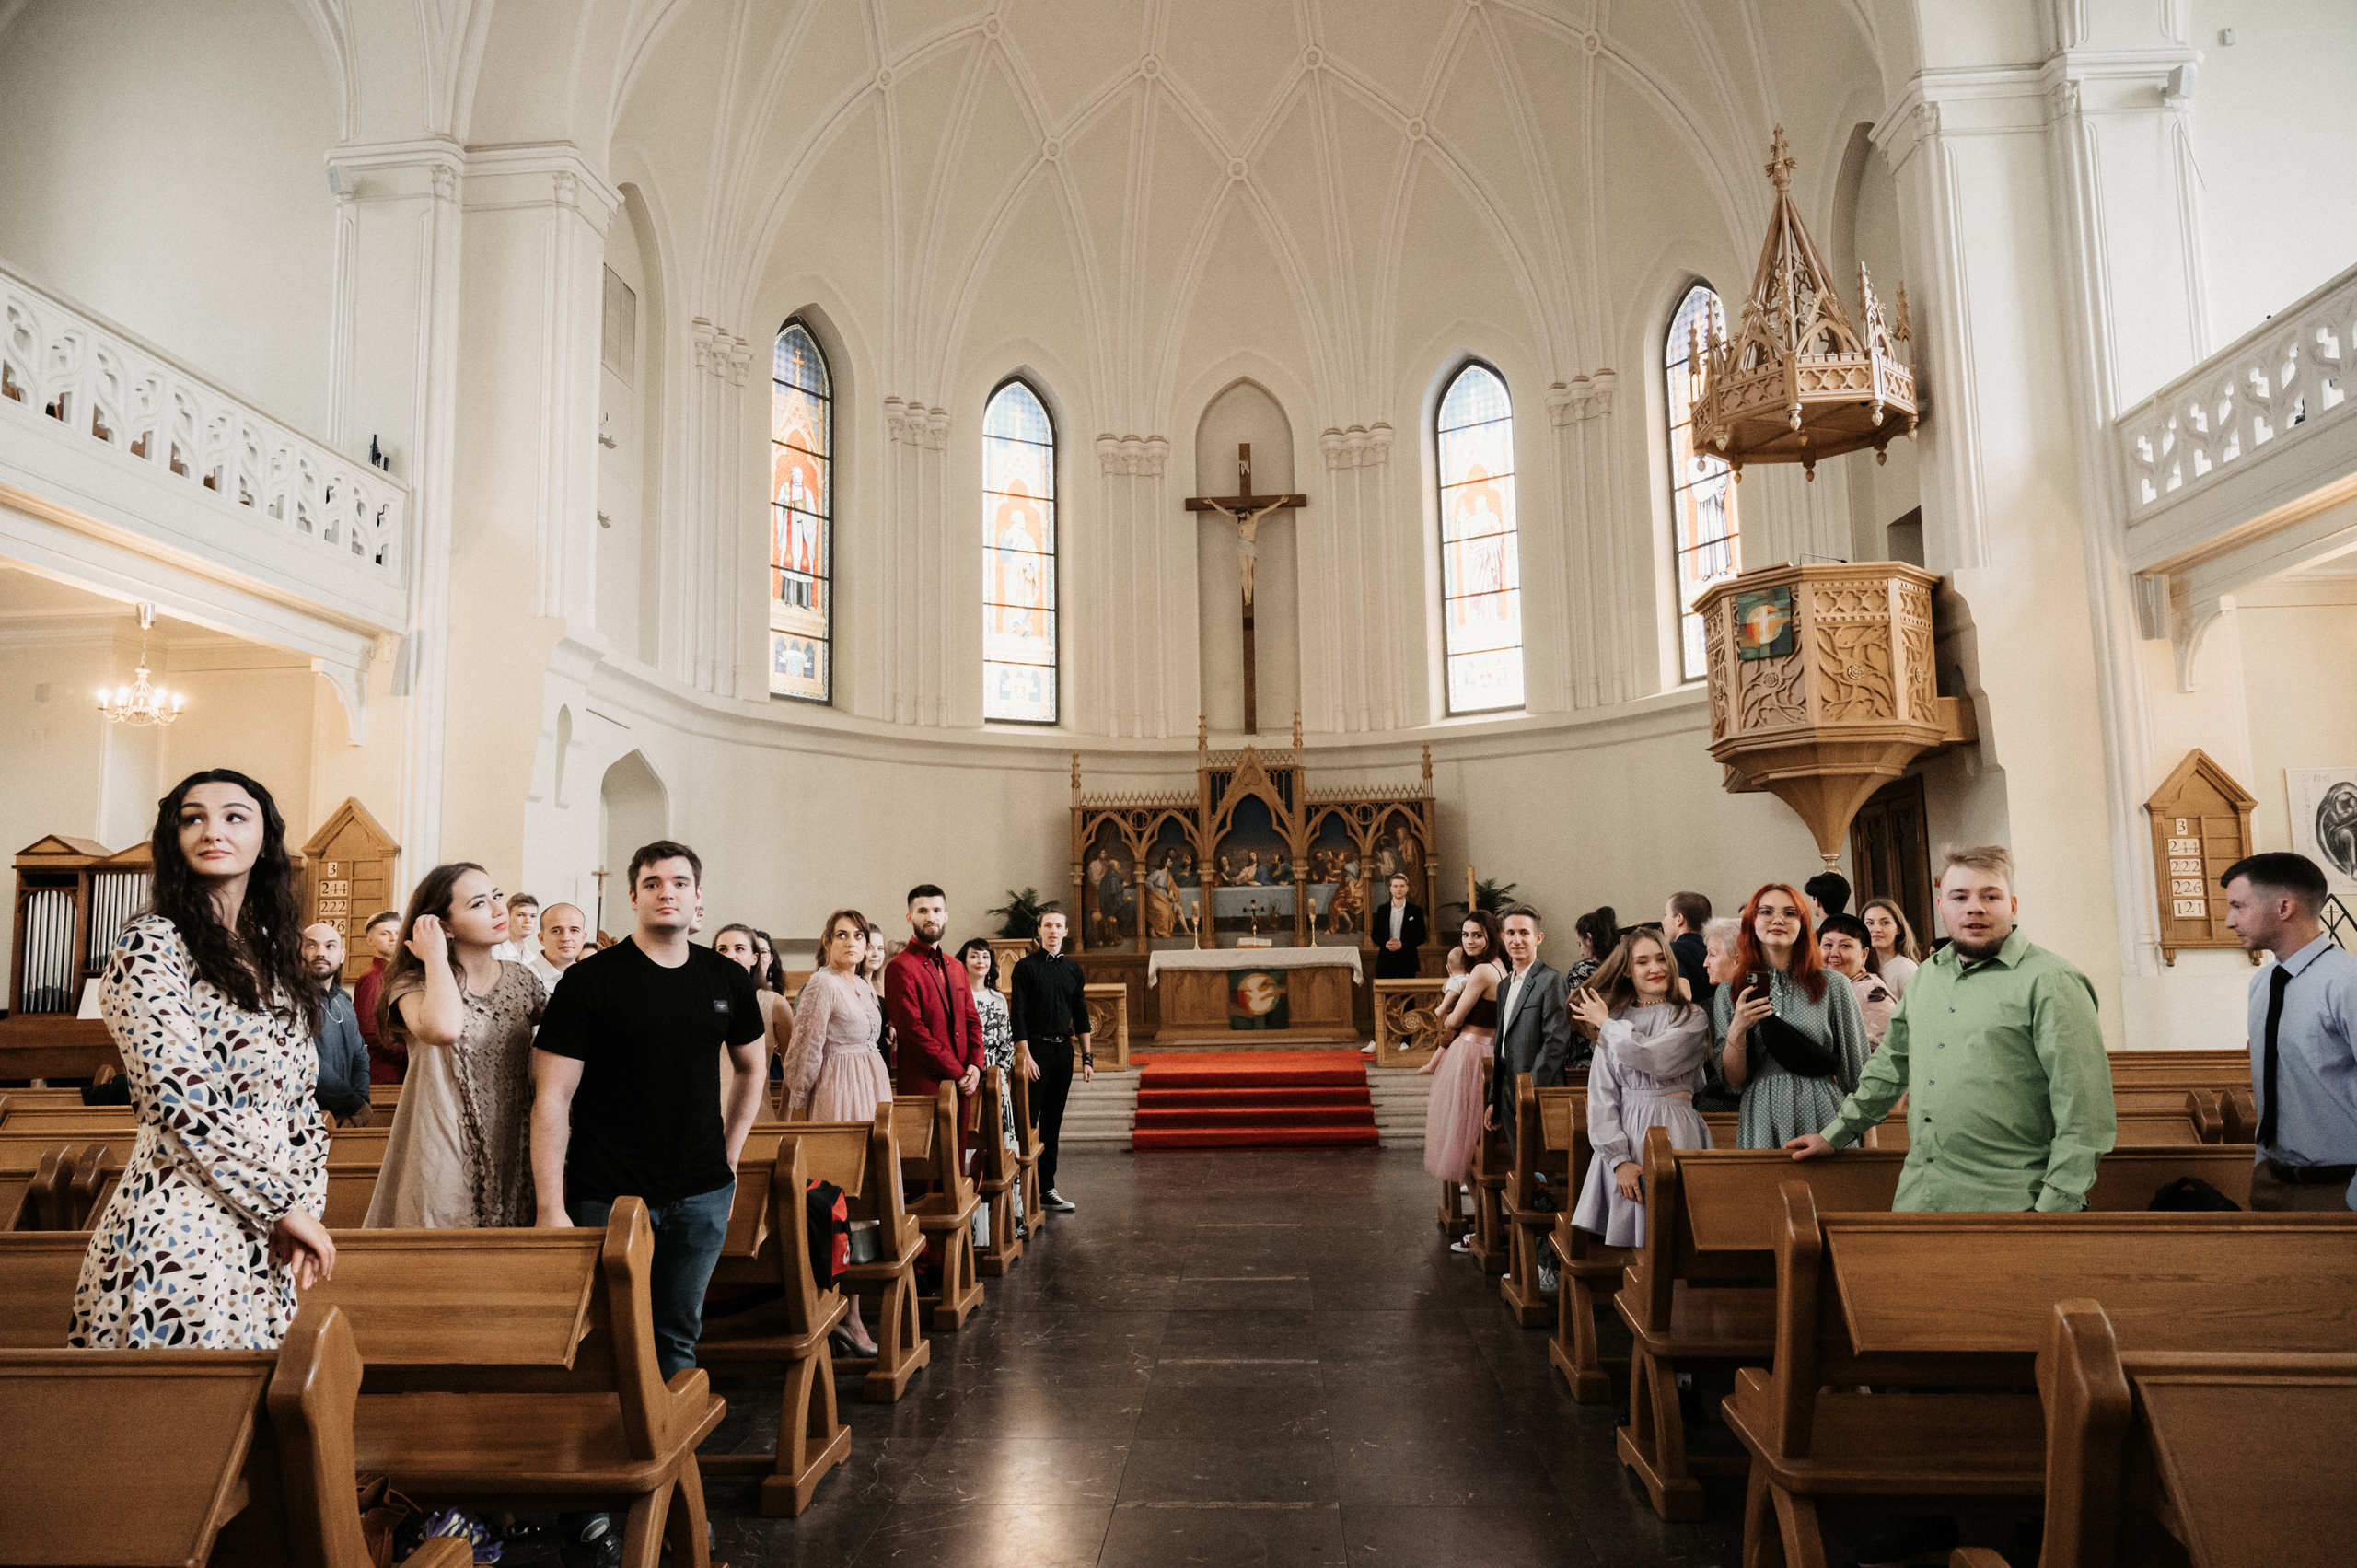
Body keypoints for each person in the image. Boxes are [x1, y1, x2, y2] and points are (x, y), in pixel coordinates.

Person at [531, 840, 764, 1568]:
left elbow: (754, 1065)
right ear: (633, 896)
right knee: (603, 1351)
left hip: (698, 1194)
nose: (668, 892)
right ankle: (592, 1509)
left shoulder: (725, 977)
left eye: (681, 882)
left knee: (674, 1347)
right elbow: (552, 1098)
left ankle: (666, 1501)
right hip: (606, 1195)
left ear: (700, 897)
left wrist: (728, 1156)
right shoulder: (591, 981)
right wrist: (550, 1207)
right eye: (653, 882)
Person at [72, 768, 333, 1350]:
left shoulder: (271, 953)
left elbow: (301, 1107)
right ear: (174, 838)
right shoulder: (153, 943)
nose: (213, 829)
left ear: (264, 838)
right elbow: (179, 1101)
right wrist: (283, 1206)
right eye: (194, 817)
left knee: (245, 1424)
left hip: (265, 1232)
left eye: (235, 816)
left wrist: (301, 1207)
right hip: (180, 1221)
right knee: (171, 1421)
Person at [1788, 845, 2117, 1210]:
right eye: (1960, 896)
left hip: (2013, 1200)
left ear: (2013, 905)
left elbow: (2085, 1109)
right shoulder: (1929, 975)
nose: (1974, 907)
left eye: (1990, 895)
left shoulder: (2053, 981)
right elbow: (1891, 1064)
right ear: (1942, 904)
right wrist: (1836, 1134)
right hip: (1922, 1193)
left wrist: (2057, 1203)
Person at [365, 862, 545, 1228]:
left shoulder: (523, 981)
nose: (498, 910)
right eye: (479, 904)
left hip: (515, 1139)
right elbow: (443, 1029)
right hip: (445, 1140)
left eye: (496, 897)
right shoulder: (412, 984)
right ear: (442, 925)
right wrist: (434, 956)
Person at [2221, 852, 2356, 1211]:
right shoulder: (2263, 983)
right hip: (2272, 1182)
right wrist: (2262, 1168)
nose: (2229, 921)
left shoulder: (2346, 983)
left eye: (2238, 906)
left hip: (2339, 1187)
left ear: (2283, 907)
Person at [1569, 928, 1714, 1247]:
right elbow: (1602, 1096)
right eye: (1643, 961)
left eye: (1662, 959)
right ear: (1626, 969)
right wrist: (1619, 1160)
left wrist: (1606, 1025)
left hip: (1678, 1129)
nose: (1655, 968)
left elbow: (1655, 1057)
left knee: (1681, 1240)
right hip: (1629, 1134)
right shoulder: (1618, 1018)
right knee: (1639, 1242)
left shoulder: (1692, 1017)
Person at [1713, 883, 1868, 1148]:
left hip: (1825, 1112)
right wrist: (1738, 1027)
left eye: (1790, 913)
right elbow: (1734, 1082)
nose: (1778, 920)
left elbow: (1858, 1073)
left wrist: (1869, 1144)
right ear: (1752, 921)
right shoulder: (1731, 992)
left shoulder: (1833, 985)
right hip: (1762, 1113)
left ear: (1803, 923)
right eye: (1766, 912)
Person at [884, 886, 986, 1173]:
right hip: (924, 1083)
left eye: (937, 910)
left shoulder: (955, 966)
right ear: (910, 917)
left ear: (946, 916)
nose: (931, 917)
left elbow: (972, 1021)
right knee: (927, 1172)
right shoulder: (900, 967)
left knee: (954, 1166)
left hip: (963, 1082)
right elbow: (912, 1031)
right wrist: (959, 1072)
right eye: (923, 911)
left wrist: (976, 1066)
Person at [1010, 908, 1093, 1214]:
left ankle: (1046, 1188)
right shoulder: (1025, 967)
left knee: (1053, 1123)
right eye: (1048, 925)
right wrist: (1025, 1055)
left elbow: (1080, 1013)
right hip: (1036, 1051)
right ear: (1040, 931)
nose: (1053, 930)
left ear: (1066, 931)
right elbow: (1017, 1014)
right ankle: (1022, 1188)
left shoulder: (1073, 970)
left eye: (1059, 925)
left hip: (1063, 1053)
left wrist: (1087, 1057)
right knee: (1028, 1120)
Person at [1423, 913, 1506, 1198]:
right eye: (1465, 935)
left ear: (1490, 937)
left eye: (1477, 935)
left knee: (1465, 1138)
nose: (1469, 940)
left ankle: (1482, 1230)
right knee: (1472, 1135)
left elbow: (1454, 1020)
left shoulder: (1483, 971)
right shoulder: (1499, 966)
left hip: (1472, 1051)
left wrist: (1449, 1011)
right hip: (1489, 1049)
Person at [1485, 904, 1574, 1153]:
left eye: (1524, 933)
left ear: (1538, 938)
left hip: (1538, 1090)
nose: (1517, 940)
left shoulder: (1552, 981)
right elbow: (1500, 1045)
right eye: (1510, 933)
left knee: (1545, 1169)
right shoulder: (1504, 986)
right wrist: (1494, 1098)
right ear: (1502, 938)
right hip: (1507, 1089)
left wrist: (1530, 1091)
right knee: (1522, 1167)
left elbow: (1555, 1043)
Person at [958, 936, 1025, 1245]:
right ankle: (973, 1232)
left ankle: (1001, 1227)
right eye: (974, 956)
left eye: (985, 957)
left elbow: (1007, 1046)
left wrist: (991, 1072)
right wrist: (970, 1070)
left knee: (997, 1153)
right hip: (966, 1083)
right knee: (970, 1150)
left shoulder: (998, 999)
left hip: (994, 1086)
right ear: (965, 961)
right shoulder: (956, 997)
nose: (980, 962)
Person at [714, 923, 792, 1115]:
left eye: (739, 949)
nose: (730, 955)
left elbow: (792, 1069)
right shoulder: (701, 1001)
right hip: (709, 1116)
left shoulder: (774, 1004)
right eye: (722, 949)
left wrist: (784, 1115)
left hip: (757, 1114)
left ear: (754, 957)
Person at [301, 923, 371, 1124]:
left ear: (342, 955)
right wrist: (353, 1104)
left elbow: (360, 1056)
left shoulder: (344, 1001)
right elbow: (308, 1060)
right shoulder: (290, 1001)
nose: (320, 952)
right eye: (311, 946)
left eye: (329, 946)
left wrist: (362, 1101)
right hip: (308, 1118)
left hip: (345, 1116)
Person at [1818, 912, 1898, 1050]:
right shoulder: (1834, 987)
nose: (1834, 953)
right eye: (1828, 944)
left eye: (1845, 946)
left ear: (1864, 954)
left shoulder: (1871, 992)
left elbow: (1890, 1052)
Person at [1693, 914, 1746, 1112]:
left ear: (1738, 960)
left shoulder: (1710, 1011)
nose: (1705, 962)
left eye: (1712, 954)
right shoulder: (1708, 1006)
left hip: (1723, 1111)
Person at [354, 909, 404, 1084]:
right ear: (370, 940)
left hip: (402, 1071)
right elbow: (369, 1032)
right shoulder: (372, 978)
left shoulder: (398, 975)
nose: (393, 938)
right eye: (385, 933)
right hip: (387, 1074)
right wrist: (409, 1053)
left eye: (398, 933)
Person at [1857, 897, 1921, 998]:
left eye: (1885, 923)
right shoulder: (1861, 966)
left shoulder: (1905, 968)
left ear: (1898, 929)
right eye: (1870, 923)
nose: (1876, 929)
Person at [1373, 873, 1428, 980]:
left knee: (1408, 995)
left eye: (1402, 886)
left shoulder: (1416, 911)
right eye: (1395, 886)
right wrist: (1386, 943)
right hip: (1386, 961)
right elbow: (1375, 934)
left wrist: (1402, 944)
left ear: (1407, 888)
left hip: (1407, 960)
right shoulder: (1382, 910)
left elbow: (1421, 937)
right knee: (1385, 995)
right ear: (1390, 889)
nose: (1399, 889)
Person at [1662, 892, 1713, 1006]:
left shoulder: (1672, 950)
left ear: (1679, 919)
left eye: (1665, 914)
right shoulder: (1713, 951)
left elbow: (1682, 998)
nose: (1663, 921)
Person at [533, 900, 588, 988]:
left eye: (574, 930)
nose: (566, 938)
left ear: (583, 938)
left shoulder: (590, 979)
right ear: (541, 938)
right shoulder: (522, 979)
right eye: (556, 931)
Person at [1568, 906, 1617, 988]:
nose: (1581, 953)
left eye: (1580, 944)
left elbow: (1572, 1000)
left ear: (1588, 938)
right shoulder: (1621, 968)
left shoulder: (1581, 970)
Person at [491, 891, 539, 962]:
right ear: (507, 917)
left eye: (533, 916)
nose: (528, 921)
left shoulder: (533, 959)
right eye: (520, 915)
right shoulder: (493, 954)